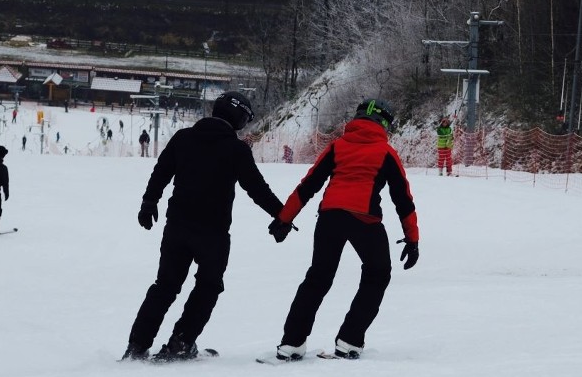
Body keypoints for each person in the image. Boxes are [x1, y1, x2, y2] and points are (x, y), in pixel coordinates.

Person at [121, 91, 284, 362]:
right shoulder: (236, 149)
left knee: (165, 286)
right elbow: (257, 189)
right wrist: (282, 216)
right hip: (213, 233)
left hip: (177, 227)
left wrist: (149, 202)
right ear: (240, 118)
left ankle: (137, 345)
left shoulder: (184, 138)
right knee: (208, 286)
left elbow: (161, 171)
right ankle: (181, 342)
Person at [267, 98, 420, 361]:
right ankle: (350, 340)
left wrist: (284, 219)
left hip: (330, 217)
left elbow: (309, 184)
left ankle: (291, 343)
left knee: (318, 277)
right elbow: (403, 199)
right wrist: (412, 239)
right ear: (385, 124)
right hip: (365, 220)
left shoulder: (337, 146)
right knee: (377, 273)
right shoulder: (386, 152)